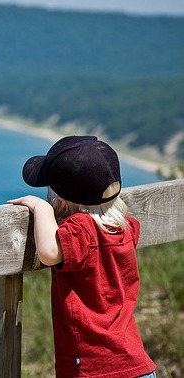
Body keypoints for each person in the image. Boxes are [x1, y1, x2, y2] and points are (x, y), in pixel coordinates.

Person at [8, 135, 156, 378]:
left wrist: (41, 208)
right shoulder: (125, 228)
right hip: (136, 365)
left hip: (96, 368)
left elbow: (48, 252)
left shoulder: (82, 229)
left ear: (62, 202)